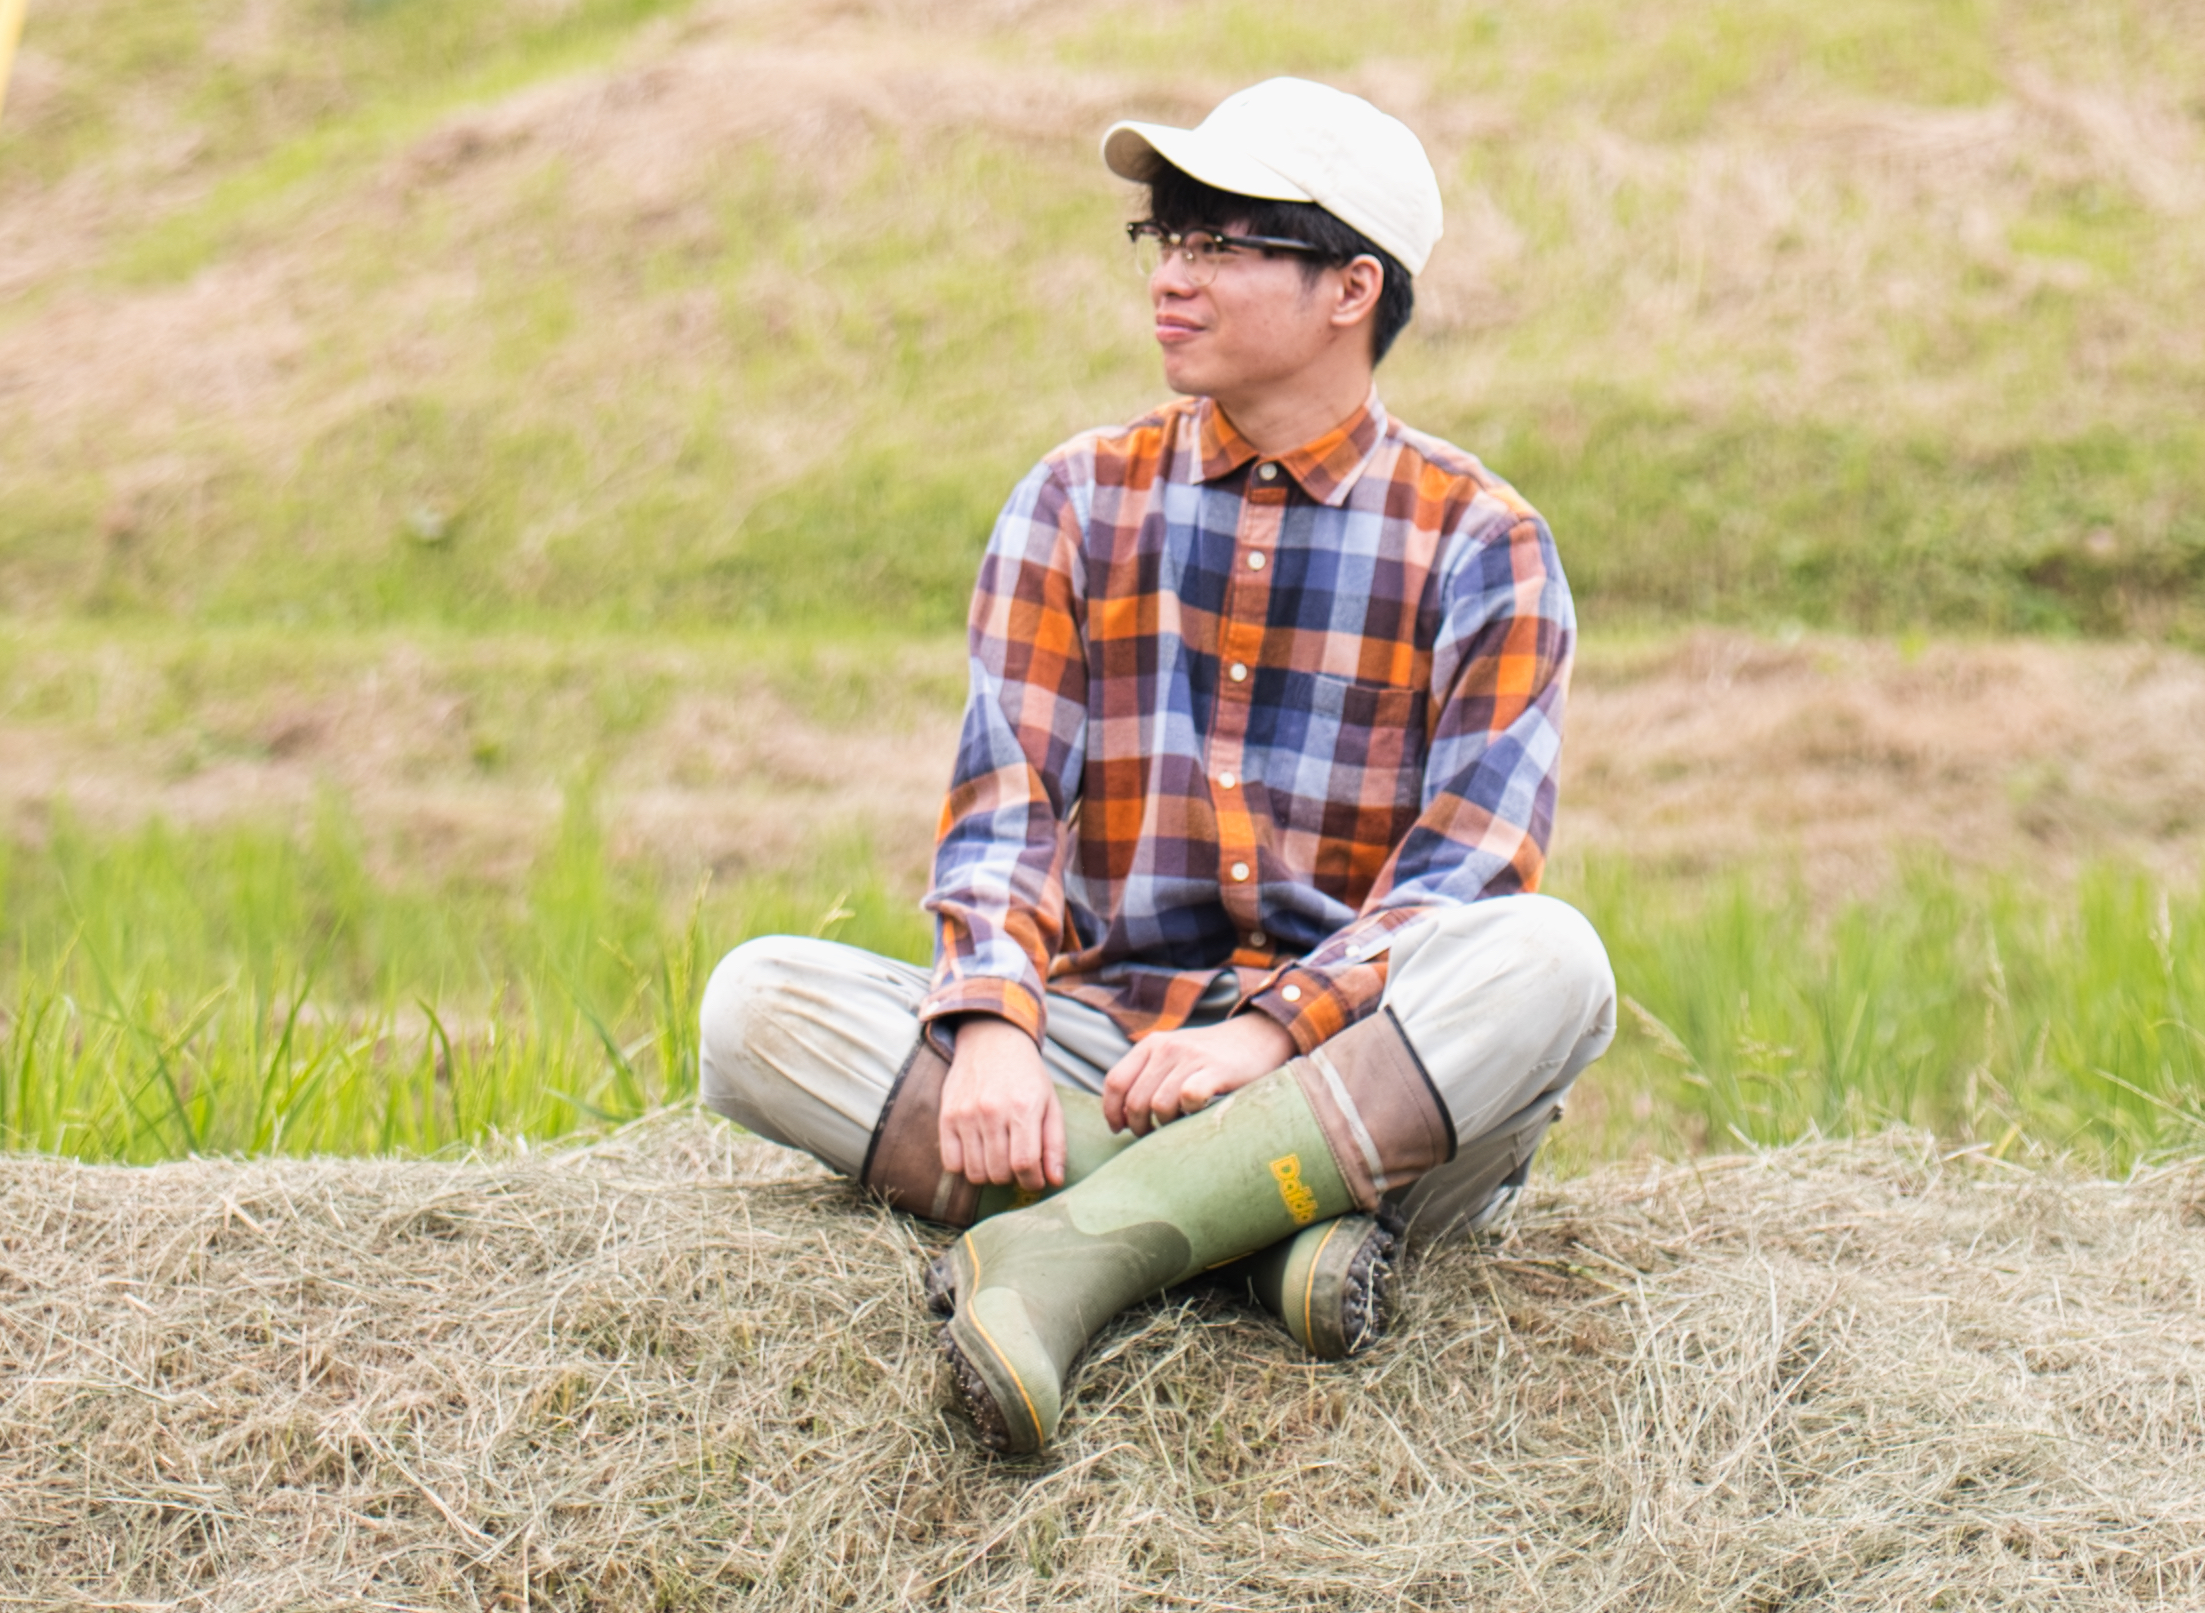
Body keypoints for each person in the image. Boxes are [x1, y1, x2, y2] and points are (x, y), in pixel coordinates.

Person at [692, 74, 1616, 1459]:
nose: (1170, 279)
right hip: (1102, 1048)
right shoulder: (1074, 499)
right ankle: (1263, 1246)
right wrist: (997, 1025)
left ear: (1350, 289)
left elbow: (1462, 878)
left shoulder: (1485, 543)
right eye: (1164, 242)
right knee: (754, 1009)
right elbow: (1005, 804)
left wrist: (1262, 1037)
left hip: (1358, 1070)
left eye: (1219, 245)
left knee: (1551, 962)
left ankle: (1071, 1246)